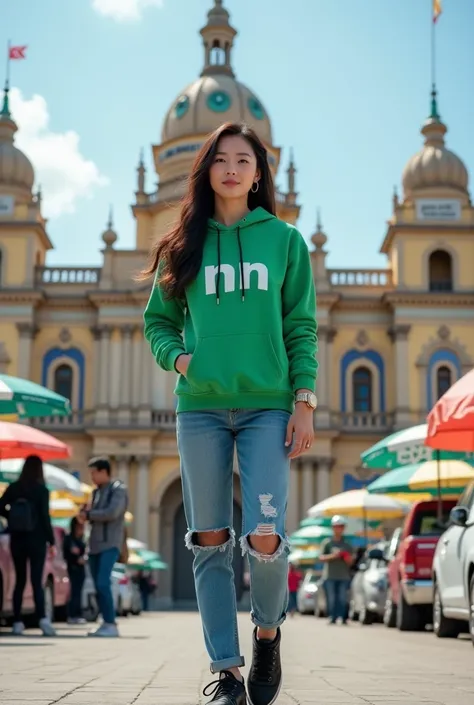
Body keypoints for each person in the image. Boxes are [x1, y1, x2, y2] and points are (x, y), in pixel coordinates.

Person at [141, 121, 318, 705]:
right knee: (209, 539)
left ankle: (267, 634)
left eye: (244, 159)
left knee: (265, 534)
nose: (233, 169)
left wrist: (304, 401)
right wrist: (181, 360)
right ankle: (227, 669)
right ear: (207, 170)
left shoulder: (286, 242)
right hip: (201, 410)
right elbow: (157, 322)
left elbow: (300, 328)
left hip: (269, 407)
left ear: (259, 172)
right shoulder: (181, 244)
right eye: (221, 159)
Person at [0, 454, 56, 636]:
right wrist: (52, 541)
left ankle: (17, 622)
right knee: (36, 580)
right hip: (37, 539)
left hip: (17, 538)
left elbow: (0, 506)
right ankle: (43, 620)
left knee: (20, 580)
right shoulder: (42, 490)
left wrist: (12, 520)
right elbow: (45, 517)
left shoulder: (14, 488)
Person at [80, 457, 128, 638]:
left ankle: (110, 623)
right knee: (98, 585)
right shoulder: (96, 492)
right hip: (94, 546)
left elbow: (112, 512)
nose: (91, 476)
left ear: (103, 472)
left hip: (110, 544)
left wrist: (89, 514)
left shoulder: (118, 490)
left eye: (93, 473)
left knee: (102, 582)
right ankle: (105, 621)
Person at [319, 515, 353, 625]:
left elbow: (351, 561)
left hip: (344, 576)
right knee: (332, 598)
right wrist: (333, 556)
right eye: (336, 526)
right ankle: (332, 617)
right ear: (333, 528)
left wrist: (345, 556)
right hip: (330, 575)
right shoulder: (327, 542)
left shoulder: (347, 544)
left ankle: (343, 618)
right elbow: (321, 557)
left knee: (343, 598)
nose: (338, 528)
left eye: (341, 526)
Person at [63, 516, 87, 624]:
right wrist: (76, 559)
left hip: (81, 570)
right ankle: (72, 614)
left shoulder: (81, 540)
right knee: (73, 592)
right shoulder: (69, 539)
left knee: (79, 592)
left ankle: (77, 613)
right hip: (72, 569)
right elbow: (66, 554)